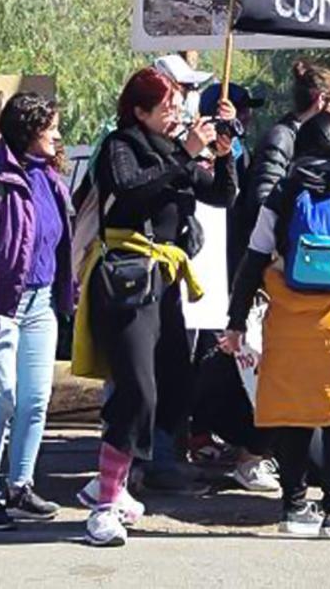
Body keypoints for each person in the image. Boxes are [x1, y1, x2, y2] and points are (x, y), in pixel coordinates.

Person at [74, 68, 235, 547]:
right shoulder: (121, 144)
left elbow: (220, 195)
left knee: (175, 385)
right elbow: (131, 190)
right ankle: (104, 502)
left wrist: (221, 157)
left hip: (162, 283)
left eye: (177, 103)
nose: (176, 112)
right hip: (126, 279)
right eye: (166, 105)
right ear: (140, 111)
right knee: (136, 389)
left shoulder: (174, 150)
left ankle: (112, 480)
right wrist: (185, 156)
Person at [222, 113, 330, 540]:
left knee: (294, 414)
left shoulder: (284, 190)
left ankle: (295, 510)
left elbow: (254, 259)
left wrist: (237, 321)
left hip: (290, 318)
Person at [0, 92, 74, 531]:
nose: (58, 136)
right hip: (0, 308)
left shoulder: (51, 179)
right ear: (29, 131)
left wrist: (67, 296)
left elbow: (59, 245)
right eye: (51, 128)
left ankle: (19, 486)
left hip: (40, 304)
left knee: (35, 400)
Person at [238, 61, 330, 271]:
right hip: (275, 256)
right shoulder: (282, 137)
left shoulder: (312, 138)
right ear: (322, 100)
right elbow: (263, 198)